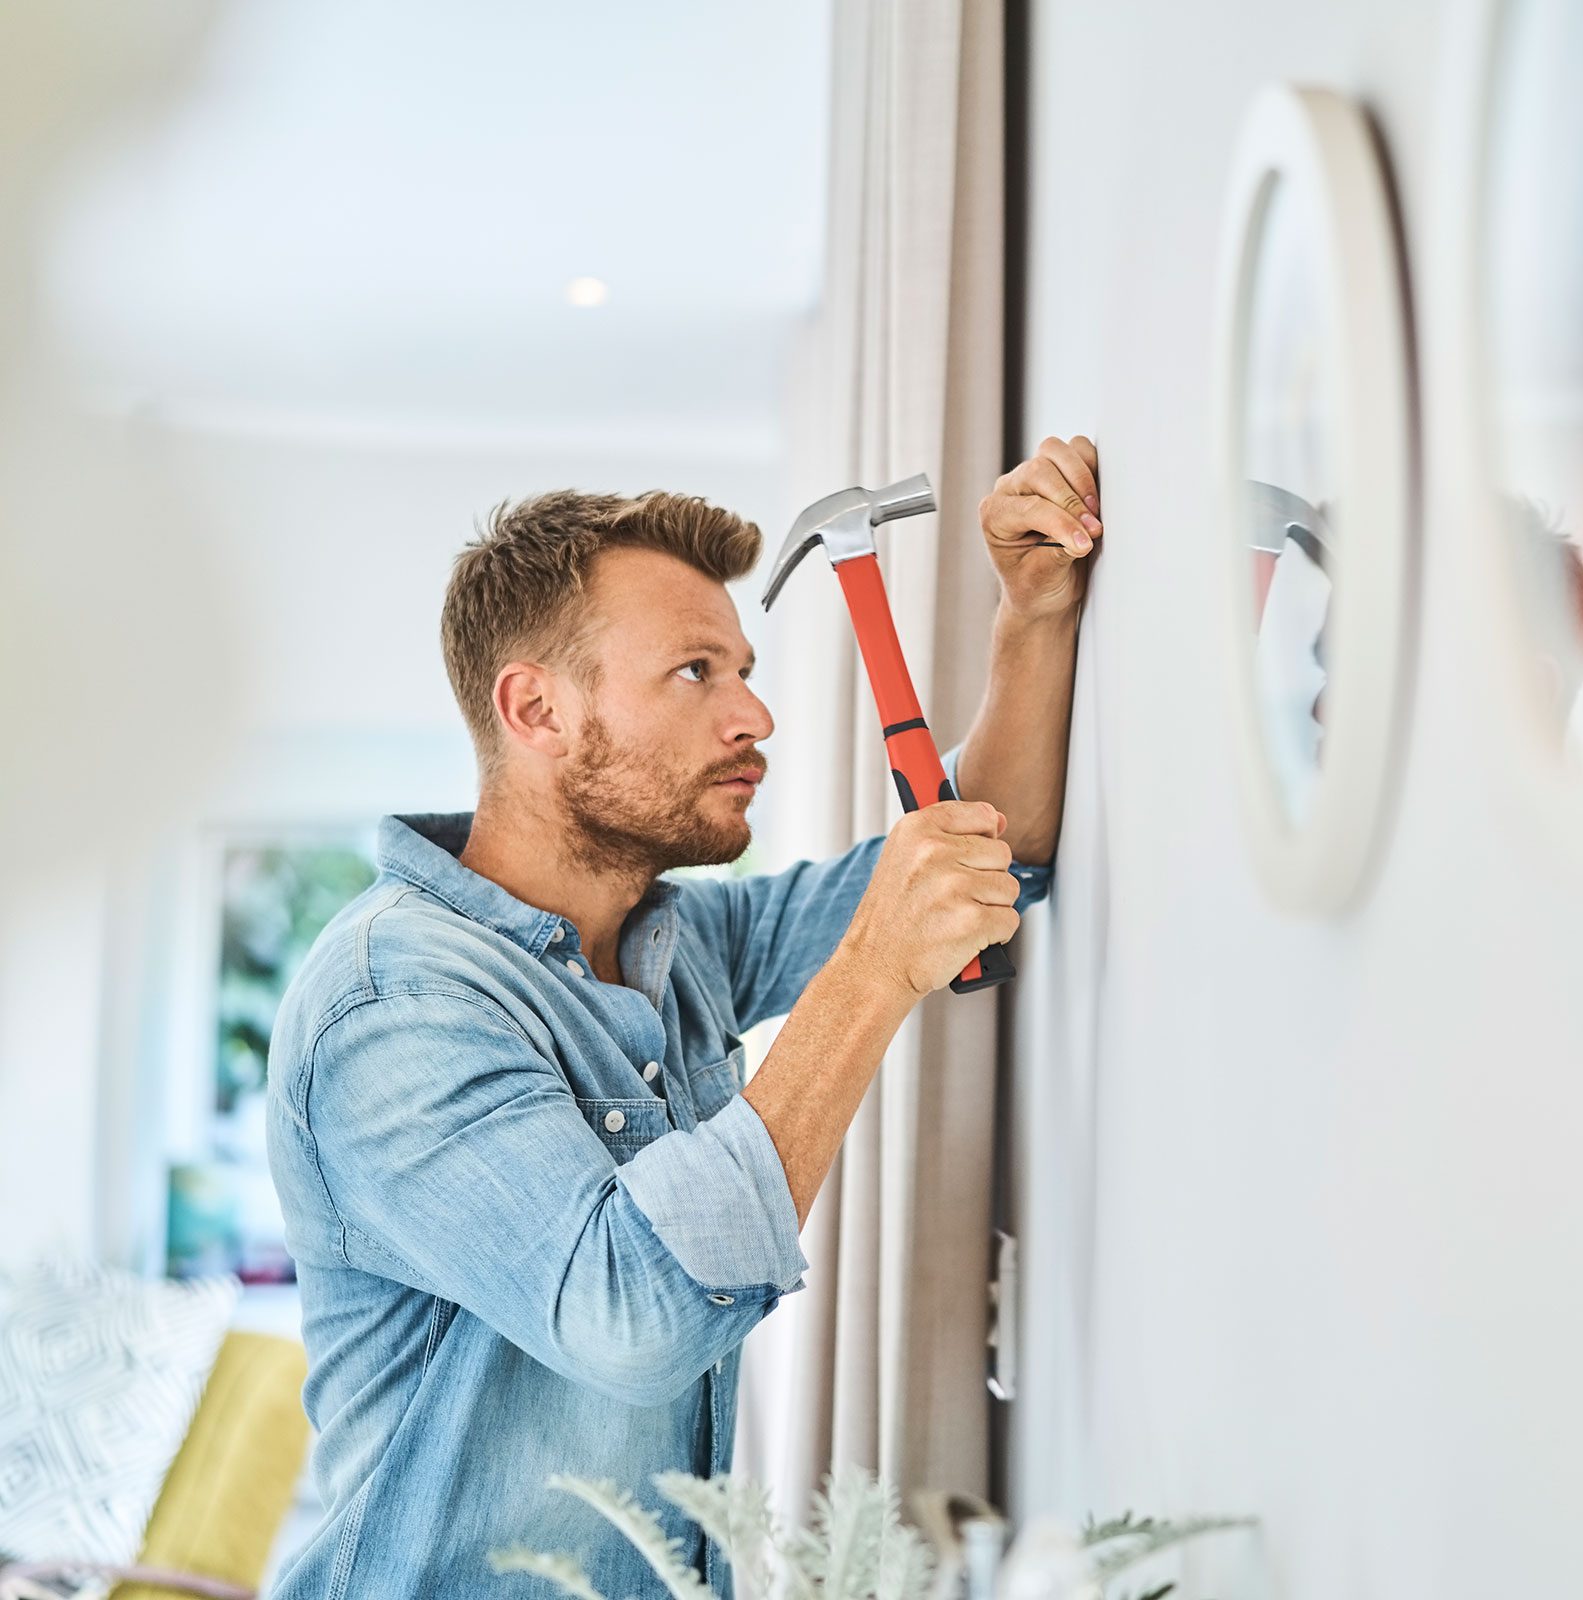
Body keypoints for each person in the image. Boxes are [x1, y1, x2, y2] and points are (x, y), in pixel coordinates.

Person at [264, 435, 1103, 1599]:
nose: (755, 712)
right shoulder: (393, 1003)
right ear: (536, 710)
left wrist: (1034, 615)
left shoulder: (671, 941)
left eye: (744, 669)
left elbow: (980, 854)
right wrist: (869, 975)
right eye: (697, 672)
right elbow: (634, 1312)